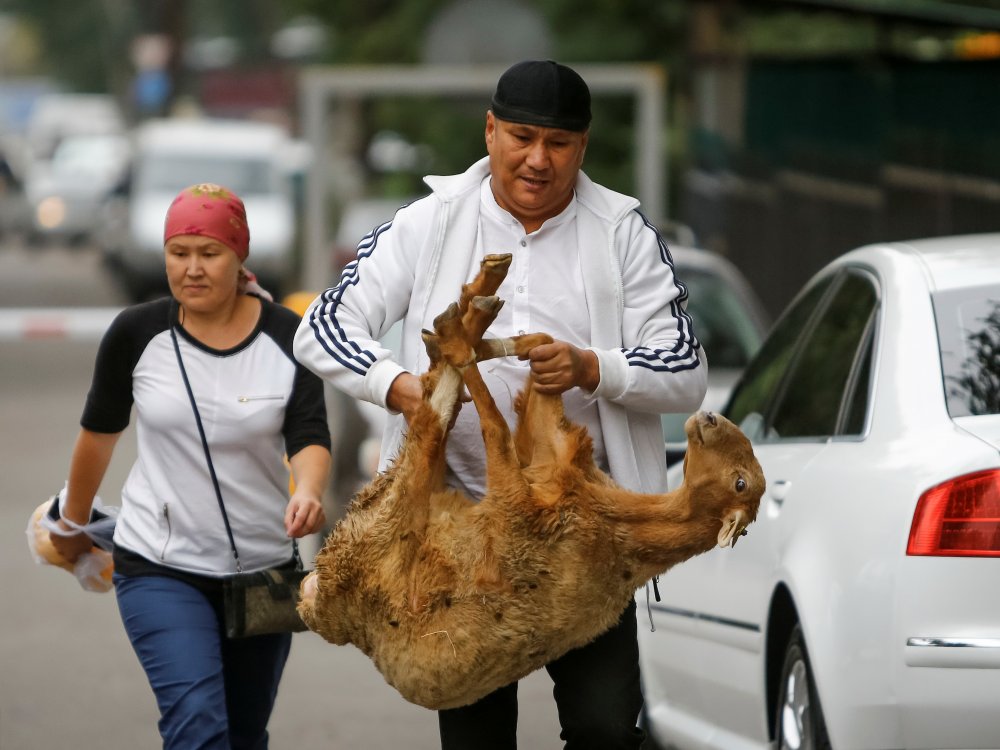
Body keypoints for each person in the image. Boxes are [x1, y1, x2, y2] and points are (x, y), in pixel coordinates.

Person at [294, 60, 707, 750]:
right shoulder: (428, 224)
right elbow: (325, 326)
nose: (538, 160)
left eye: (559, 144)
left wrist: (590, 366)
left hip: (589, 538)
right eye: (521, 137)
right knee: (477, 737)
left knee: (605, 729)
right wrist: (400, 388)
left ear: (584, 145)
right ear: (489, 131)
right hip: (460, 535)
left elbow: (685, 371)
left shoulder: (623, 234)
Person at [50, 183, 332, 749]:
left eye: (210, 253)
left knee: (245, 734)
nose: (193, 269)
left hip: (261, 571)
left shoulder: (286, 337)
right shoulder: (137, 333)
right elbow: (98, 437)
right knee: (198, 725)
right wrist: (70, 527)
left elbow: (309, 434)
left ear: (240, 256)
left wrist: (309, 490)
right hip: (159, 565)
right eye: (179, 253)